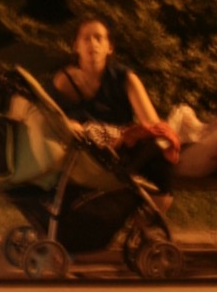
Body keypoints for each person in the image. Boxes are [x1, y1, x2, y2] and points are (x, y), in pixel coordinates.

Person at [52, 17, 181, 190]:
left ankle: (153, 205)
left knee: (160, 166)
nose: (93, 43)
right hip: (82, 157)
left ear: (109, 47)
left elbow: (152, 124)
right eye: (86, 38)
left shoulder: (125, 79)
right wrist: (71, 125)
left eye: (99, 38)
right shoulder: (64, 81)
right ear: (76, 46)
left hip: (121, 152)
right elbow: (53, 119)